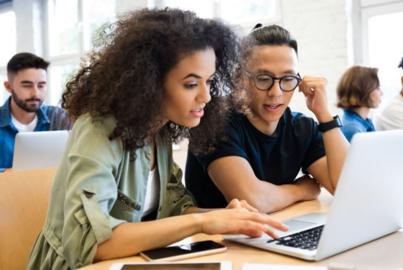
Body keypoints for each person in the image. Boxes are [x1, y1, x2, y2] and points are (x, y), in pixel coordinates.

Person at [27, 9, 287, 270]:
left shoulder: (159, 130)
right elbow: (92, 244)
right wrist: (202, 223)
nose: (206, 97)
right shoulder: (97, 131)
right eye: (190, 84)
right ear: (149, 82)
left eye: (208, 82)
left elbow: (175, 209)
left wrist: (225, 217)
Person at [185, 24, 349, 213]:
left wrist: (324, 116)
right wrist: (301, 189)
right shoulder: (214, 122)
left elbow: (347, 188)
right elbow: (253, 201)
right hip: (216, 240)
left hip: (276, 231)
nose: (276, 92)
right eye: (263, 78)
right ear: (240, 79)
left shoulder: (302, 127)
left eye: (287, 79)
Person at [0, 52, 71, 169]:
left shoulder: (59, 118)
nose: (35, 93)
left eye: (41, 85)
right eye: (27, 85)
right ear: (9, 86)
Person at [336, 66, 382, 142]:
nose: (381, 93)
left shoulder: (364, 123)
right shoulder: (353, 129)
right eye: (377, 88)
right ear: (365, 90)